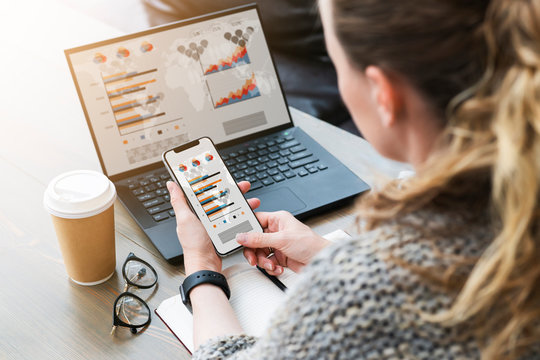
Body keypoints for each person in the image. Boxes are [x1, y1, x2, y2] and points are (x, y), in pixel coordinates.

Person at [166, 0, 540, 358]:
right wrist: (321, 253)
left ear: (383, 94)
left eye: (336, 62)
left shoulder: (368, 292)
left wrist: (201, 268)